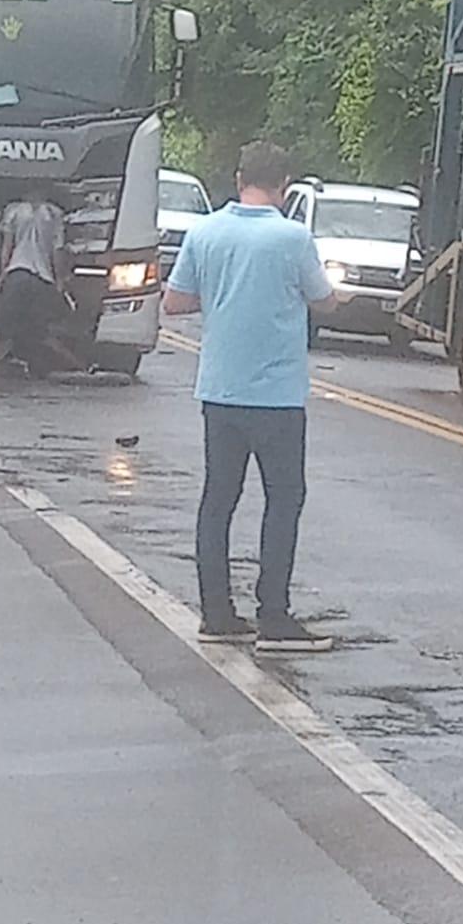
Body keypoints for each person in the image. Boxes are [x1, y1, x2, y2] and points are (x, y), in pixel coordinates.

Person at [164, 139, 339, 653]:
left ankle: (216, 613)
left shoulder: (205, 231)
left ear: (239, 179)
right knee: (283, 500)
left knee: (218, 499)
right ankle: (274, 616)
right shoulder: (292, 237)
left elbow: (174, 302)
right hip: (277, 395)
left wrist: (222, 294)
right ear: (283, 185)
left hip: (220, 390)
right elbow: (324, 300)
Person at [0, 192, 78, 378]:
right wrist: (59, 281)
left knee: (4, 328)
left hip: (17, 274)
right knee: (38, 330)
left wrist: (2, 276)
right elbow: (57, 252)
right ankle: (70, 365)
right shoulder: (54, 214)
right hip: (42, 279)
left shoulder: (13, 211)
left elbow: (7, 248)